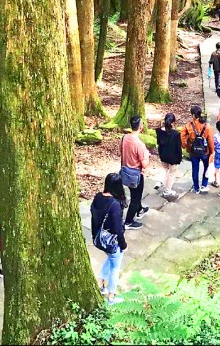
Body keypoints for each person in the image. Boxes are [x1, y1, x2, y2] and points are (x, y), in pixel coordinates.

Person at [90, 173, 128, 305]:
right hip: (110, 241)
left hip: (98, 238)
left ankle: (100, 283)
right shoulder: (115, 205)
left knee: (111, 258)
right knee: (115, 266)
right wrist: (123, 245)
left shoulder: (97, 197)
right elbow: (118, 229)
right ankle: (111, 296)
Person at [120, 116, 150, 229]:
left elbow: (121, 151)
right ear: (141, 127)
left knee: (134, 194)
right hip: (136, 174)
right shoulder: (139, 144)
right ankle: (128, 222)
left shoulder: (124, 138)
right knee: (135, 198)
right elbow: (145, 164)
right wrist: (147, 155)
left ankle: (140, 210)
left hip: (125, 171)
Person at [180, 105, 215, 194]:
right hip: (205, 151)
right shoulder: (207, 126)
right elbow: (210, 140)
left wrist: (184, 145)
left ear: (193, 115)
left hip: (193, 151)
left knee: (195, 169)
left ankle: (196, 187)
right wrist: (212, 151)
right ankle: (204, 184)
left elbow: (182, 135)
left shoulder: (188, 125)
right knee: (207, 168)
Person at [155, 113, 182, 200]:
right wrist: (179, 158)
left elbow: (158, 143)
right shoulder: (176, 134)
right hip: (173, 157)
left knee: (165, 170)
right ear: (173, 123)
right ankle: (167, 190)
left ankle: (160, 182)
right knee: (171, 174)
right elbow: (178, 148)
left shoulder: (158, 131)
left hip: (163, 155)